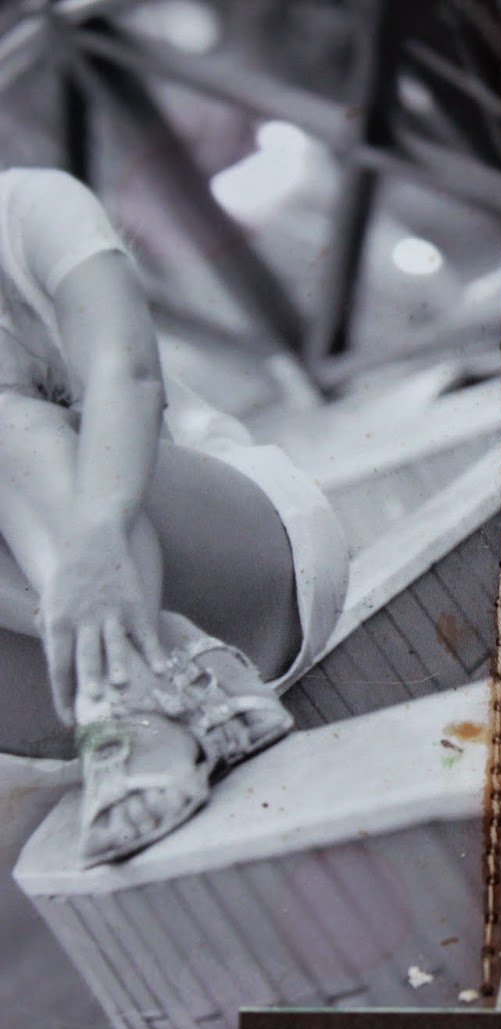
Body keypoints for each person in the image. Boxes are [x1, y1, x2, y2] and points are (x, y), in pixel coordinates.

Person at [0, 166, 348, 865]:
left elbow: (126, 375)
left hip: (246, 565)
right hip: (63, 656)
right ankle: (166, 672)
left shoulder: (26, 208)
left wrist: (97, 540)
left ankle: (130, 700)